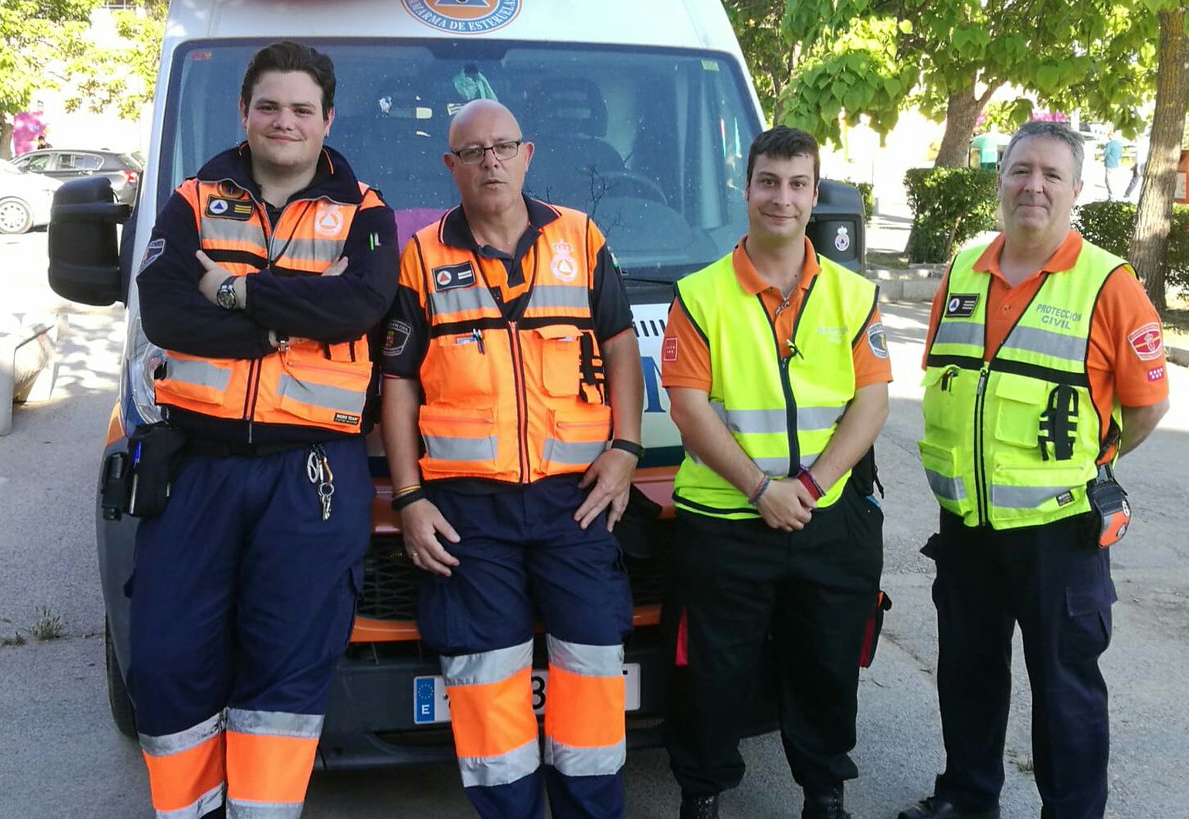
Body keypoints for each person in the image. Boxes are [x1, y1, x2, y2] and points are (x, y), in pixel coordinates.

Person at [130, 41, 398, 819]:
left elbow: (357, 309)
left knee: (286, 670)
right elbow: (165, 309)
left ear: (328, 121)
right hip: (196, 467)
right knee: (166, 656)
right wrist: (278, 323)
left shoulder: (368, 213)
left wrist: (234, 290)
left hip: (311, 474)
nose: (285, 121)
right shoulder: (192, 198)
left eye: (301, 109)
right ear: (244, 115)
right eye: (269, 106)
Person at [380, 98, 643, 819]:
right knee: (489, 695)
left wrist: (625, 448)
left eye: (503, 147)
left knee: (590, 681)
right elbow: (396, 381)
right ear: (451, 166)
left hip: (576, 502)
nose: (490, 161)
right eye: (473, 151)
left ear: (528, 154)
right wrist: (408, 497)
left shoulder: (582, 238)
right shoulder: (423, 255)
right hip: (469, 514)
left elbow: (622, 346)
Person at [899, 121, 1170, 819]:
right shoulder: (962, 271)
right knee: (967, 675)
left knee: (1064, 690)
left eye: (1052, 174)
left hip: (1060, 532)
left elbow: (1144, 407)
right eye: (1021, 170)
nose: (1034, 186)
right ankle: (967, 797)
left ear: (1077, 190)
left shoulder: (1108, 283)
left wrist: (1091, 464)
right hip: (967, 527)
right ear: (1000, 181)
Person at [661, 125, 892, 819]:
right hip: (727, 520)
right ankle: (700, 795)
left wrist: (811, 488)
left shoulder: (855, 295)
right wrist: (763, 490)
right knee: (710, 673)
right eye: (768, 182)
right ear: (747, 189)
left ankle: (824, 795)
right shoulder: (700, 294)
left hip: (829, 519)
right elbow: (689, 407)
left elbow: (873, 400)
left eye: (797, 184)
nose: (781, 198)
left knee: (826, 666)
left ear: (816, 194)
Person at [1103, 131, 1123, 200]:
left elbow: (1106, 153)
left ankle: (1111, 195)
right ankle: (1111, 195)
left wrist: (1102, 158)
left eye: (1109, 136)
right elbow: (1120, 155)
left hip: (1109, 163)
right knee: (1113, 180)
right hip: (1116, 164)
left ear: (1111, 136)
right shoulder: (1119, 144)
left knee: (1108, 180)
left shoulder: (1110, 144)